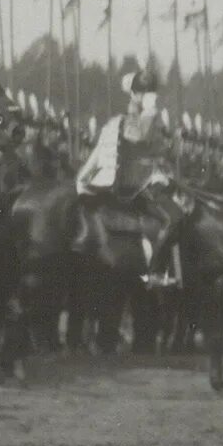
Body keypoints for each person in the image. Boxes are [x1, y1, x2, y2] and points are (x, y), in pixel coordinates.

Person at [77, 65, 184, 285]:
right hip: (138, 184)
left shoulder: (149, 118)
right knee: (173, 217)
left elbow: (161, 151)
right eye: (144, 91)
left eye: (151, 90)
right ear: (134, 94)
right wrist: (150, 112)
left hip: (151, 179)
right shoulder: (128, 121)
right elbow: (139, 137)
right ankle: (155, 272)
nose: (149, 95)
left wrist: (175, 143)